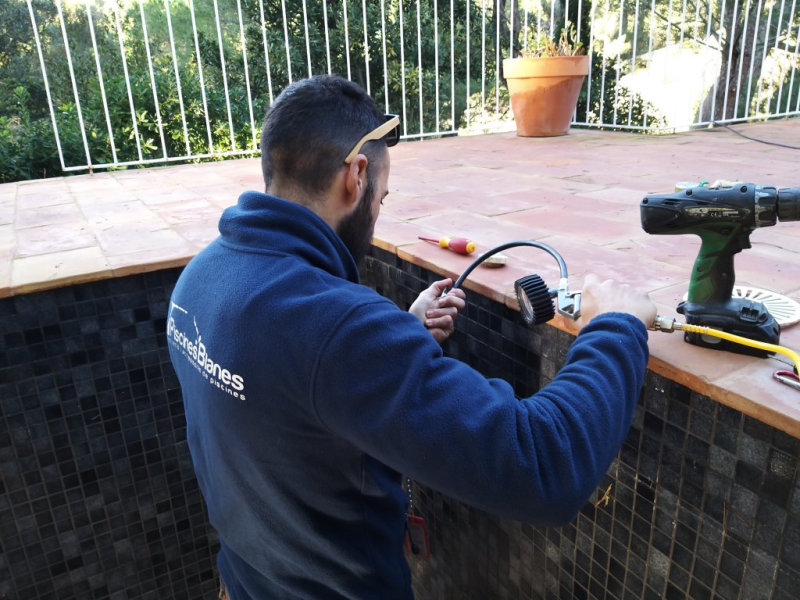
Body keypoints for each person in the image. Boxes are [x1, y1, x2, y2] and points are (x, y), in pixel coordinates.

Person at [166, 74, 656, 600]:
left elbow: (288, 394)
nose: (377, 211)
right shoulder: (337, 329)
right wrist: (616, 327)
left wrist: (400, 333)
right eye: (382, 196)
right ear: (355, 176)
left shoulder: (201, 277)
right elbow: (543, 466)